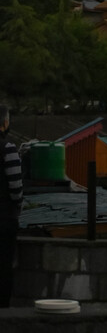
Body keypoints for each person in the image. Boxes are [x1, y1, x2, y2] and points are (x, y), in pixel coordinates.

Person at [0, 105, 22, 308]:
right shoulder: (7, 148)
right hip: (4, 218)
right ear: (5, 123)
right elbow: (16, 187)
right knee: (4, 266)